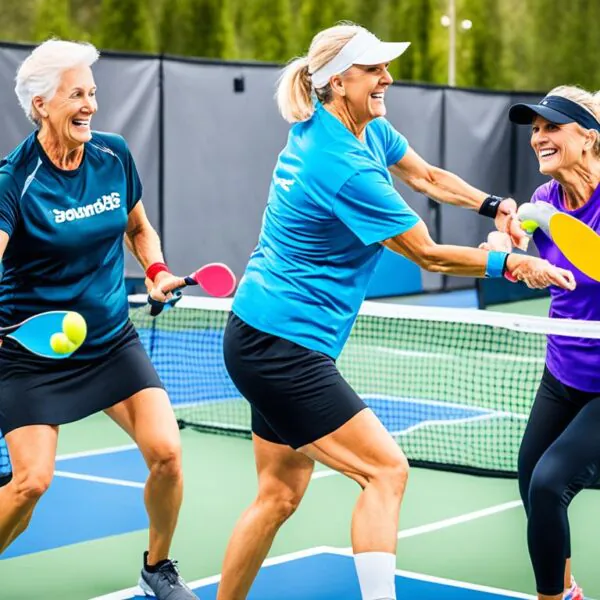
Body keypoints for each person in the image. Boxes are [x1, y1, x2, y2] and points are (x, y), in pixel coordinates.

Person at [217, 24, 575, 600]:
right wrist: (512, 267)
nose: (388, 77)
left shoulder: (359, 128)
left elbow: (428, 177)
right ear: (338, 82)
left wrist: (496, 204)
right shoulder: (341, 164)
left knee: (279, 495)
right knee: (386, 471)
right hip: (283, 347)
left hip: (258, 332)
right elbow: (425, 251)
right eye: (374, 69)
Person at [0, 40, 195, 600]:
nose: (89, 105)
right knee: (30, 485)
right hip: (33, 354)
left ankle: (157, 568)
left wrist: (155, 271)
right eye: (76, 94)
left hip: (110, 341)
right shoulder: (15, 181)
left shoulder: (113, 156)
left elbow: (138, 228)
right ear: (40, 104)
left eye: (92, 92)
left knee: (168, 454)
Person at [485, 85, 600, 600]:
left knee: (551, 482)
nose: (538, 138)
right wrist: (509, 247)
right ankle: (568, 590)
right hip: (562, 373)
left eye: (551, 127)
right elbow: (516, 244)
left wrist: (547, 223)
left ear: (589, 139)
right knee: (531, 479)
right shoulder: (544, 199)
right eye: (534, 129)